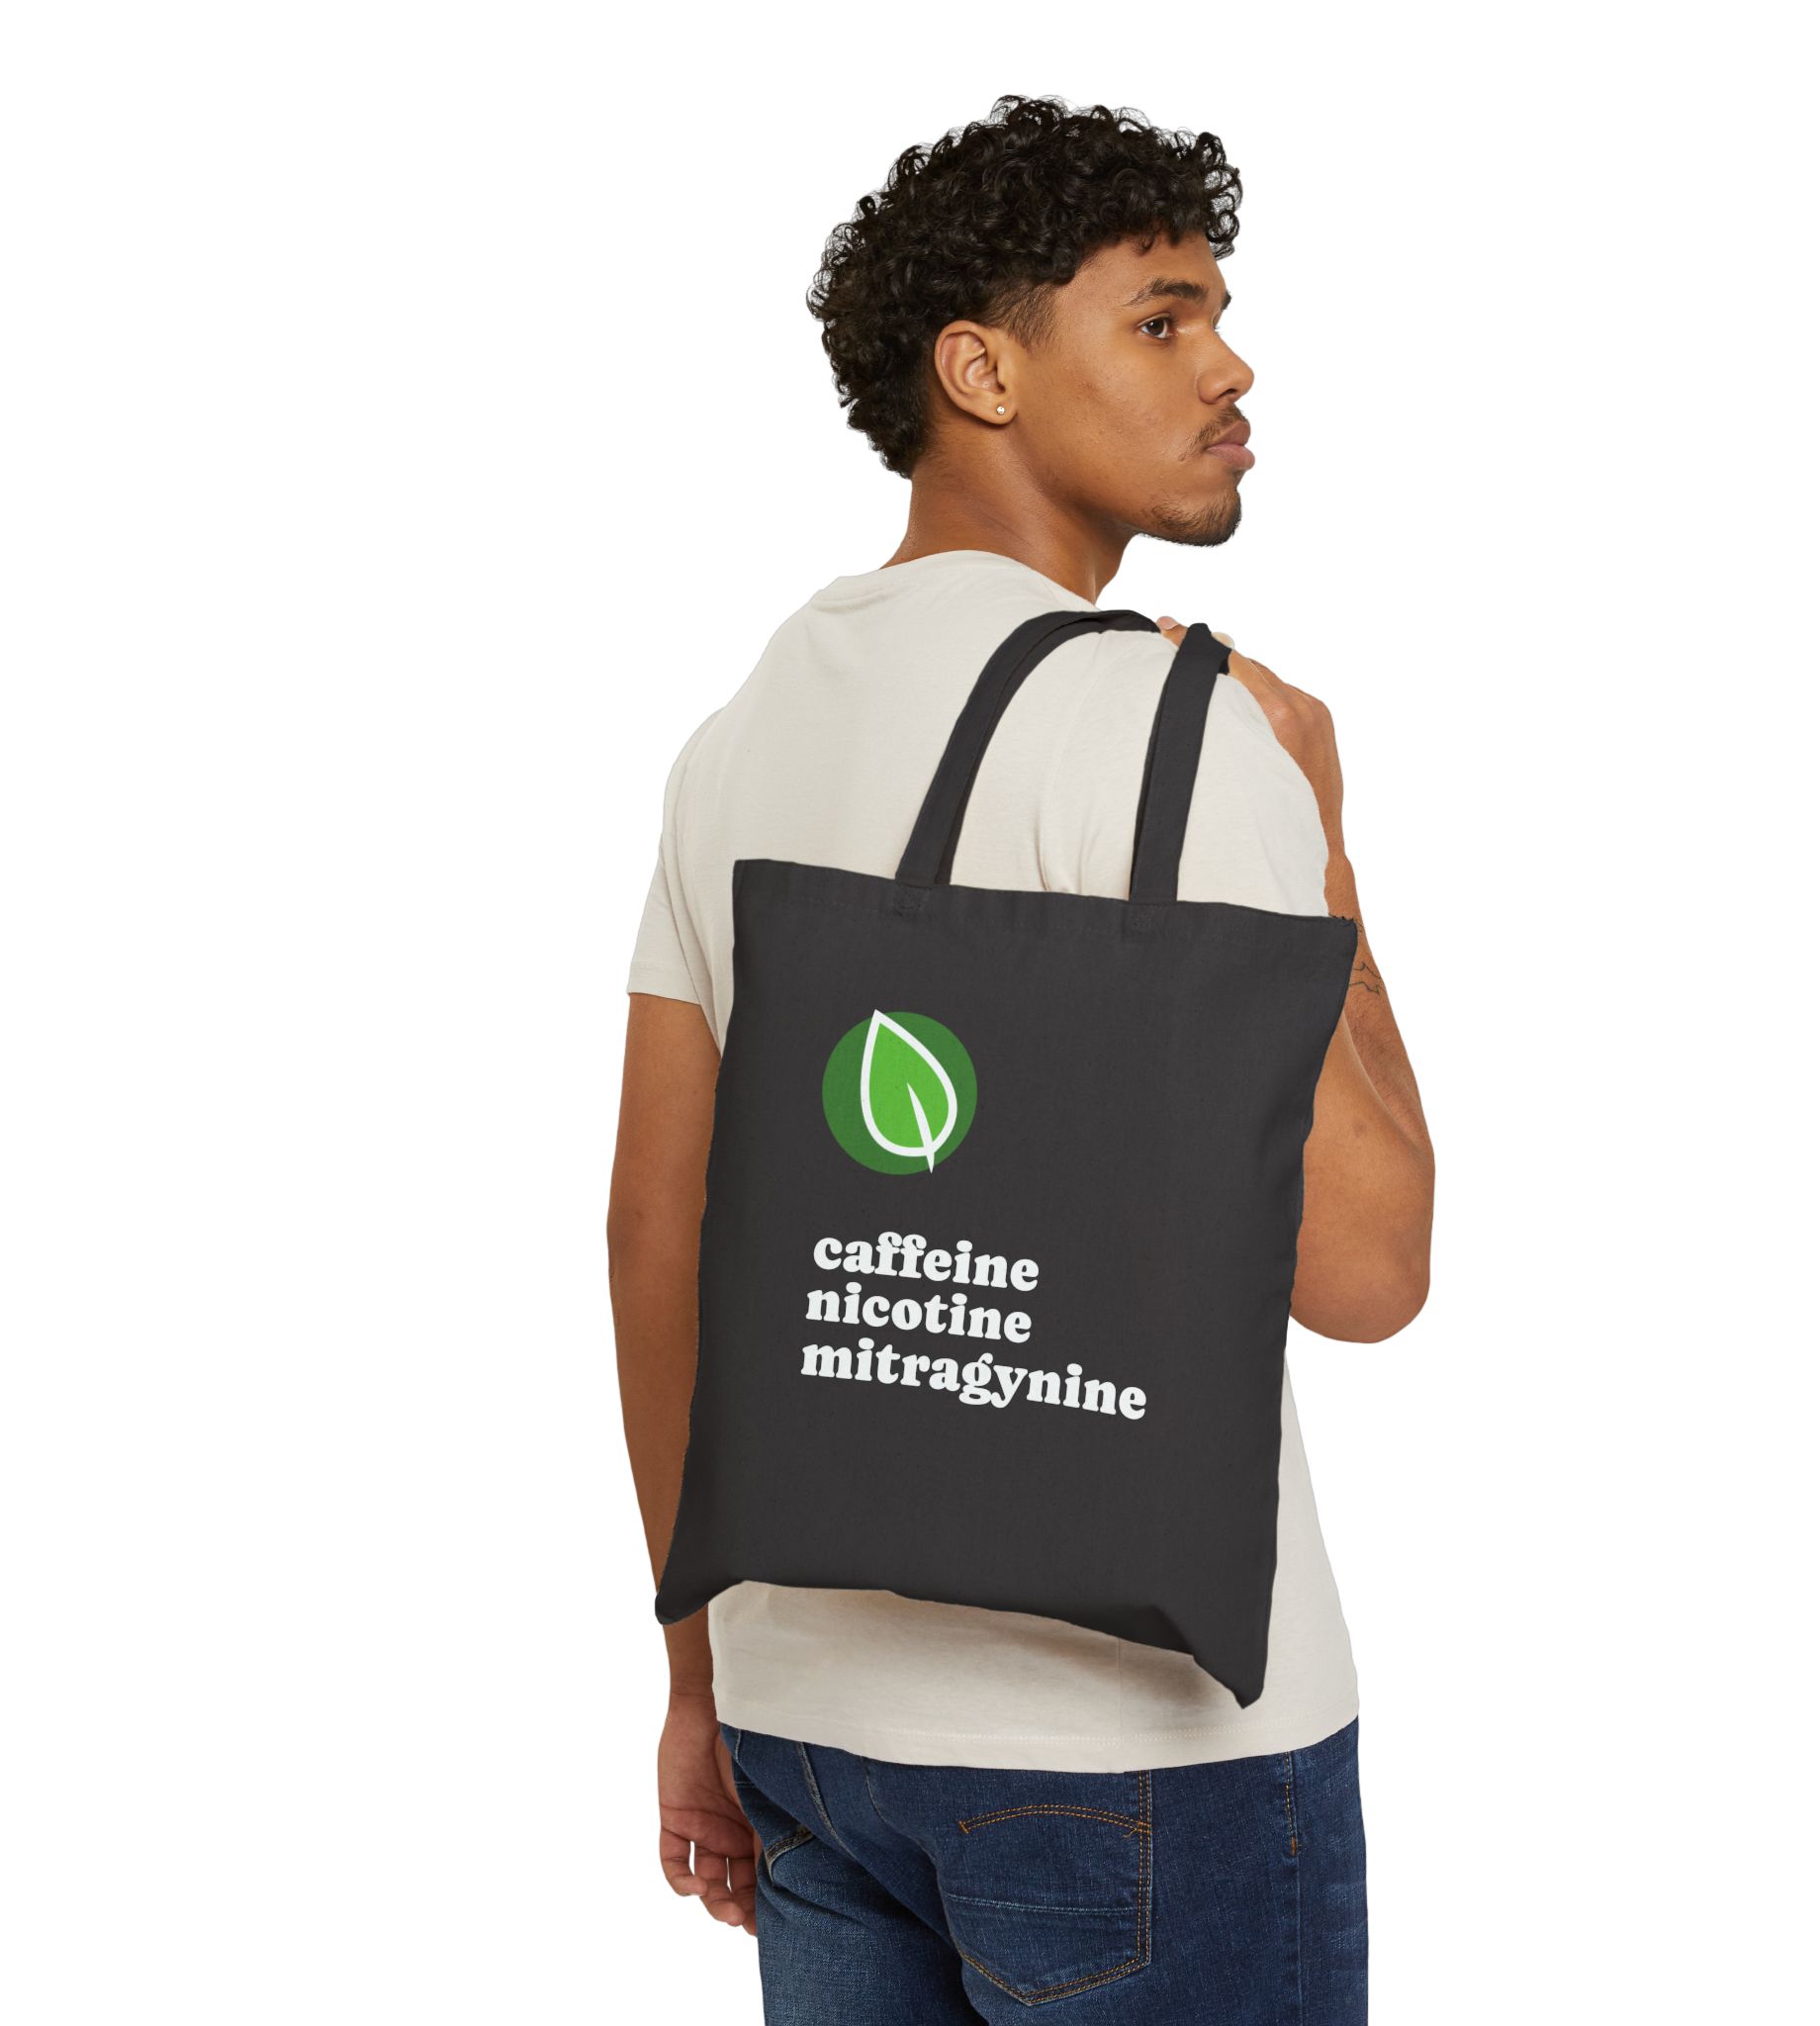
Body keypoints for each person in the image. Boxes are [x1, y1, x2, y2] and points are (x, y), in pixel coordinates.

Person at [606, 93, 1434, 2022]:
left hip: (806, 1731)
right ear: (979, 370)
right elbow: (1369, 1270)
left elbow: (658, 1227)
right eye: (1161, 318)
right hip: (1140, 1754)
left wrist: (696, 1676)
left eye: (1217, 312)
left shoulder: (736, 738)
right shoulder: (1175, 728)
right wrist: (1321, 843)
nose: (1229, 367)